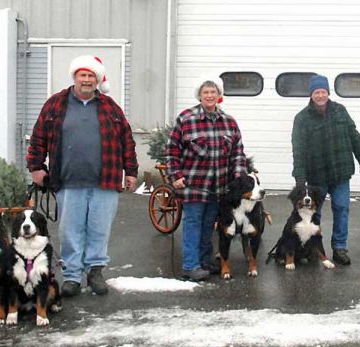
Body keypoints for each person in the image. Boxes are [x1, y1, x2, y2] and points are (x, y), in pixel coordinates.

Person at [27, 55, 138, 297]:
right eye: (82, 75)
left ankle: (95, 272)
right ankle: (72, 276)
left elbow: (126, 141)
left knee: (99, 229)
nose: (86, 80)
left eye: (91, 76)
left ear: (97, 80)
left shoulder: (110, 107)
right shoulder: (56, 104)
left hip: (105, 181)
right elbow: (38, 138)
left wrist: (131, 171)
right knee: (70, 231)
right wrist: (36, 167)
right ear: (74, 77)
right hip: (68, 180)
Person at [164, 80, 248, 281]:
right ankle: (190, 265)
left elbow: (238, 153)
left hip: (218, 188)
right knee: (193, 223)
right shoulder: (186, 119)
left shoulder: (229, 122)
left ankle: (205, 261)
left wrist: (239, 176)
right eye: (205, 92)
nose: (209, 95)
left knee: (209, 224)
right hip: (193, 186)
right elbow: (171, 150)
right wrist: (175, 175)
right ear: (199, 95)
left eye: (213, 92)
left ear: (219, 95)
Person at [291, 74, 360, 265]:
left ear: (328, 92)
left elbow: (354, 137)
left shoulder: (340, 111)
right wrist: (300, 176)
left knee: (342, 208)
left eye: (323, 91)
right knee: (313, 213)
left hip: (341, 172)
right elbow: (298, 150)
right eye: (316, 92)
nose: (320, 95)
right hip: (316, 175)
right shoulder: (302, 118)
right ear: (311, 94)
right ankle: (312, 248)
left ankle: (339, 248)